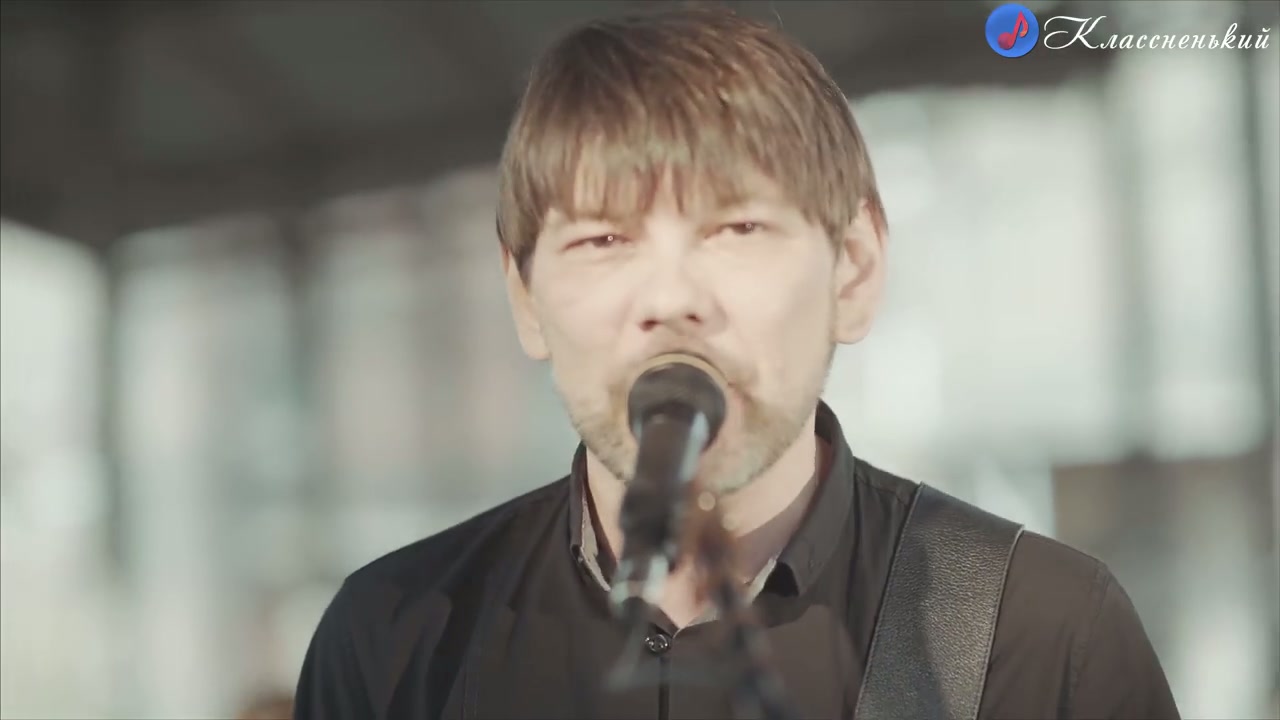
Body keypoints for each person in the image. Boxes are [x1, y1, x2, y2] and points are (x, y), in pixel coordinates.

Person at [294, 6, 1180, 719]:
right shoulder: (392, 639)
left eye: (736, 227)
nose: (671, 297)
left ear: (853, 270)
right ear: (526, 299)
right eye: (604, 239)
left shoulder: (1040, 636)